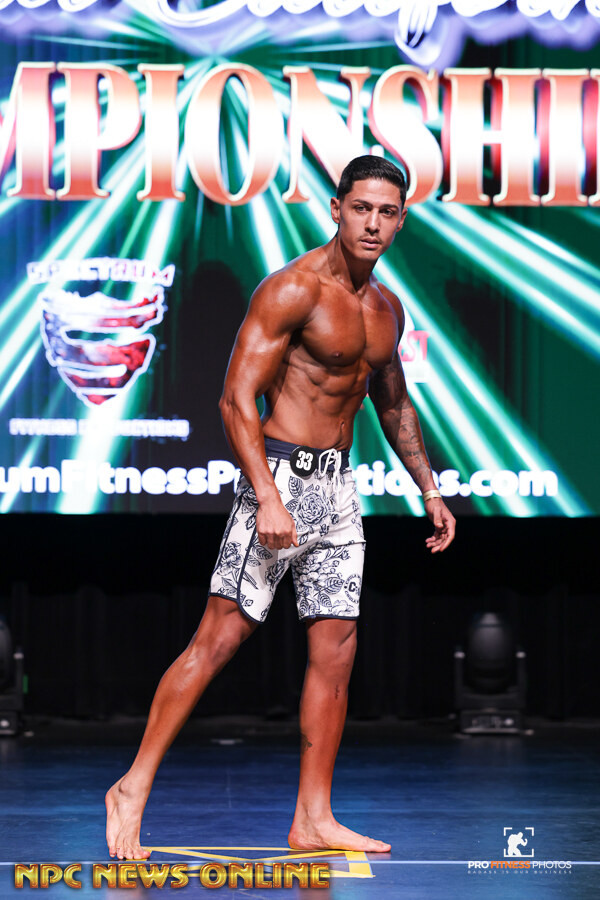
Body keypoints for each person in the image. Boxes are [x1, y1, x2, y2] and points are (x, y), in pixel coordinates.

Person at [105, 155, 456, 861]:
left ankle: (313, 818)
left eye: (387, 212)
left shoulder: (386, 309)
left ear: (401, 221)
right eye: (362, 208)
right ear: (336, 209)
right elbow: (235, 399)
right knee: (218, 640)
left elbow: (393, 404)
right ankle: (131, 787)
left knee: (336, 651)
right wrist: (265, 493)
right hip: (280, 480)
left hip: (338, 491)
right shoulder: (293, 289)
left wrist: (428, 487)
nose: (373, 223)